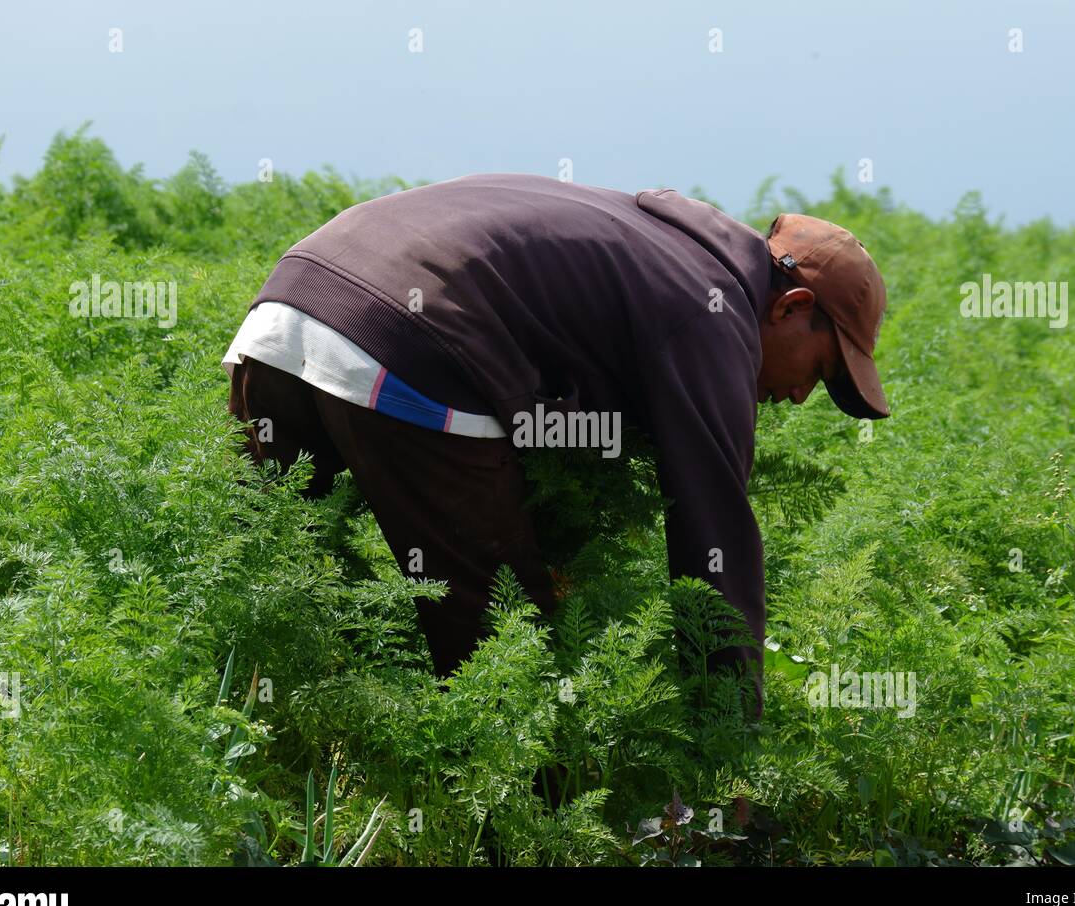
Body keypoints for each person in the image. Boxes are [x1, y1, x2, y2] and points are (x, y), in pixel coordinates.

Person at [223, 172, 889, 725]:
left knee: (275, 589)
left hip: (286, 310)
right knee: (506, 660)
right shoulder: (711, 313)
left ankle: (275, 751)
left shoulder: (663, 244)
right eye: (823, 370)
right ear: (790, 306)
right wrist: (729, 737)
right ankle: (518, 834)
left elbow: (557, 425)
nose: (803, 396)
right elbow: (713, 533)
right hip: (406, 335)